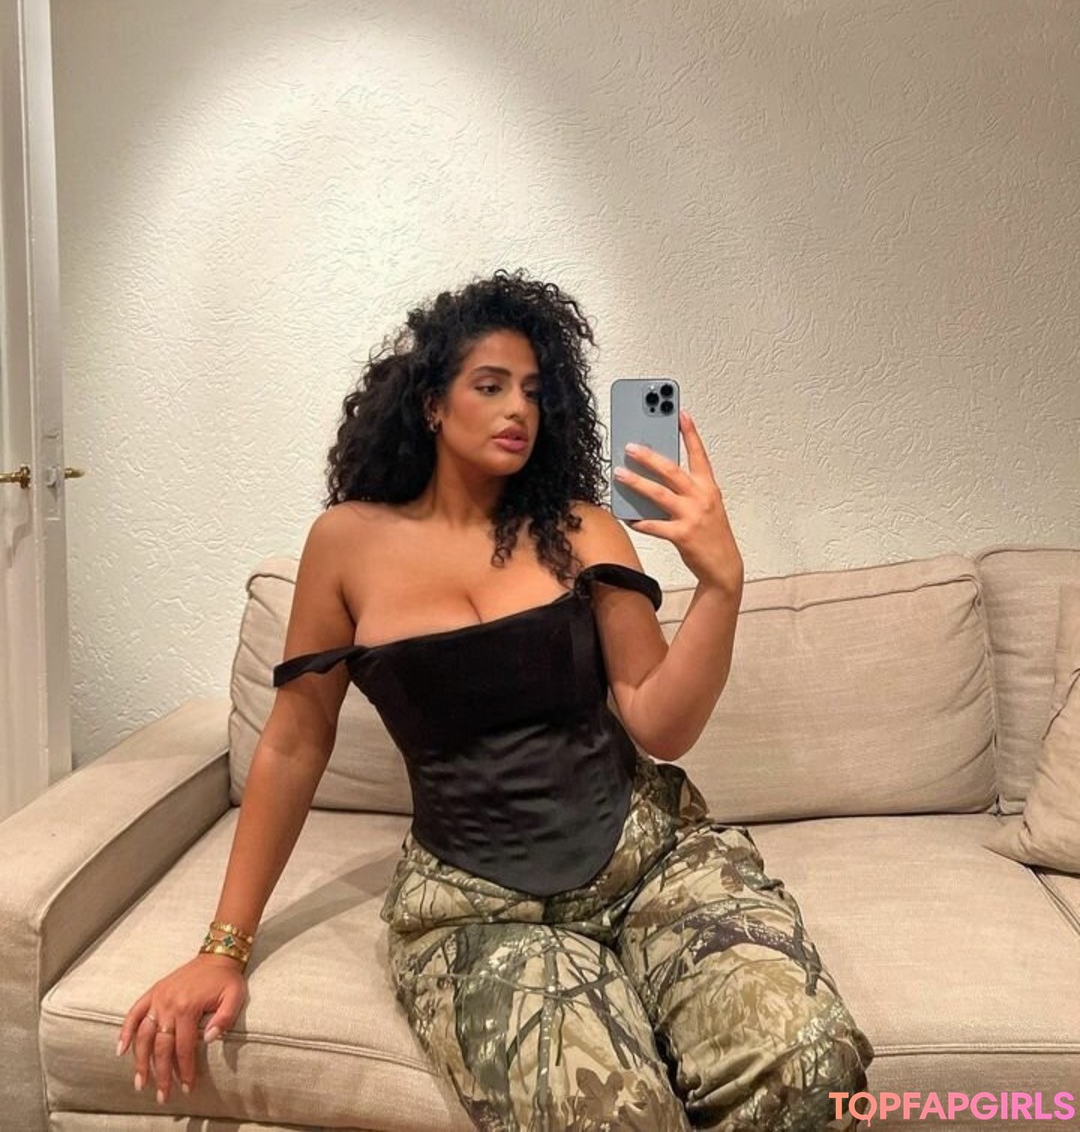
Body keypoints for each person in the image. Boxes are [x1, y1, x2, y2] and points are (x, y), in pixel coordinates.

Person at [117, 269, 874, 1130]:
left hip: (651, 862)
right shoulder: (346, 543)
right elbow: (295, 742)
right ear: (432, 405)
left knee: (813, 1063)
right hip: (475, 909)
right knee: (612, 1117)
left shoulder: (583, 528)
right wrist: (223, 948)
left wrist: (720, 584)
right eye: (490, 385)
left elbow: (660, 722)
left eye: (535, 391)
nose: (519, 408)